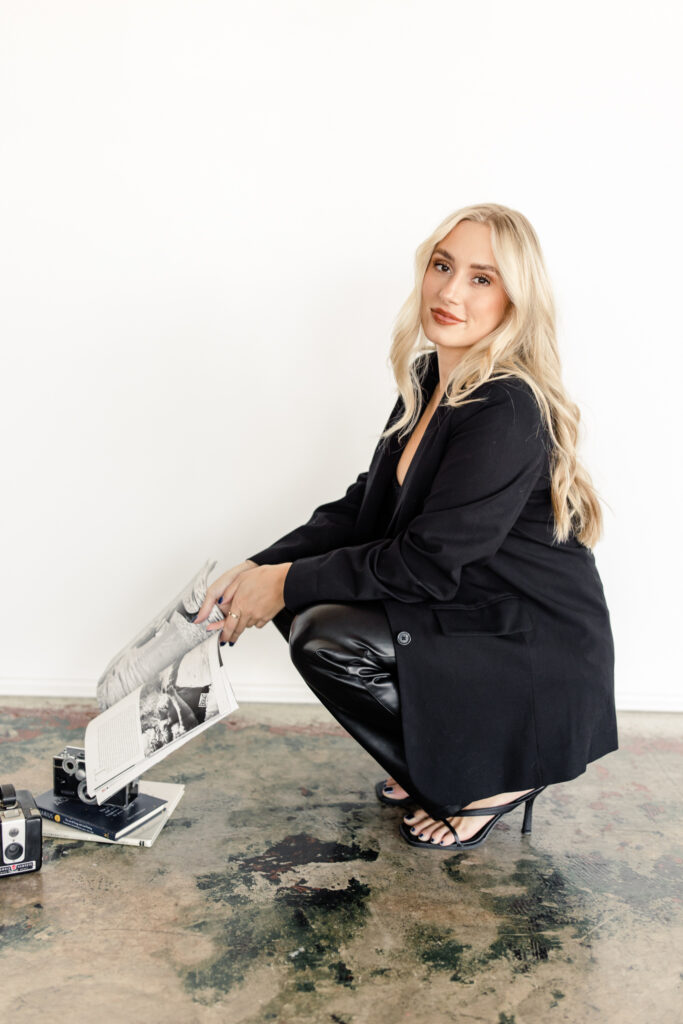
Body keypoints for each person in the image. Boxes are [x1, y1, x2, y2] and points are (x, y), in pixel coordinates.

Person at [194, 202, 617, 852]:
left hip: (531, 641)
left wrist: (284, 583)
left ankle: (493, 780)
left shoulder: (505, 405)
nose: (450, 291)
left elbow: (423, 561)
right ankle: (437, 757)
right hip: (473, 606)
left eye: (481, 278)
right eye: (442, 266)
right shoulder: (431, 377)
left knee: (325, 635)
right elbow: (363, 507)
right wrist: (262, 568)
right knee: (305, 602)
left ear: (514, 300)